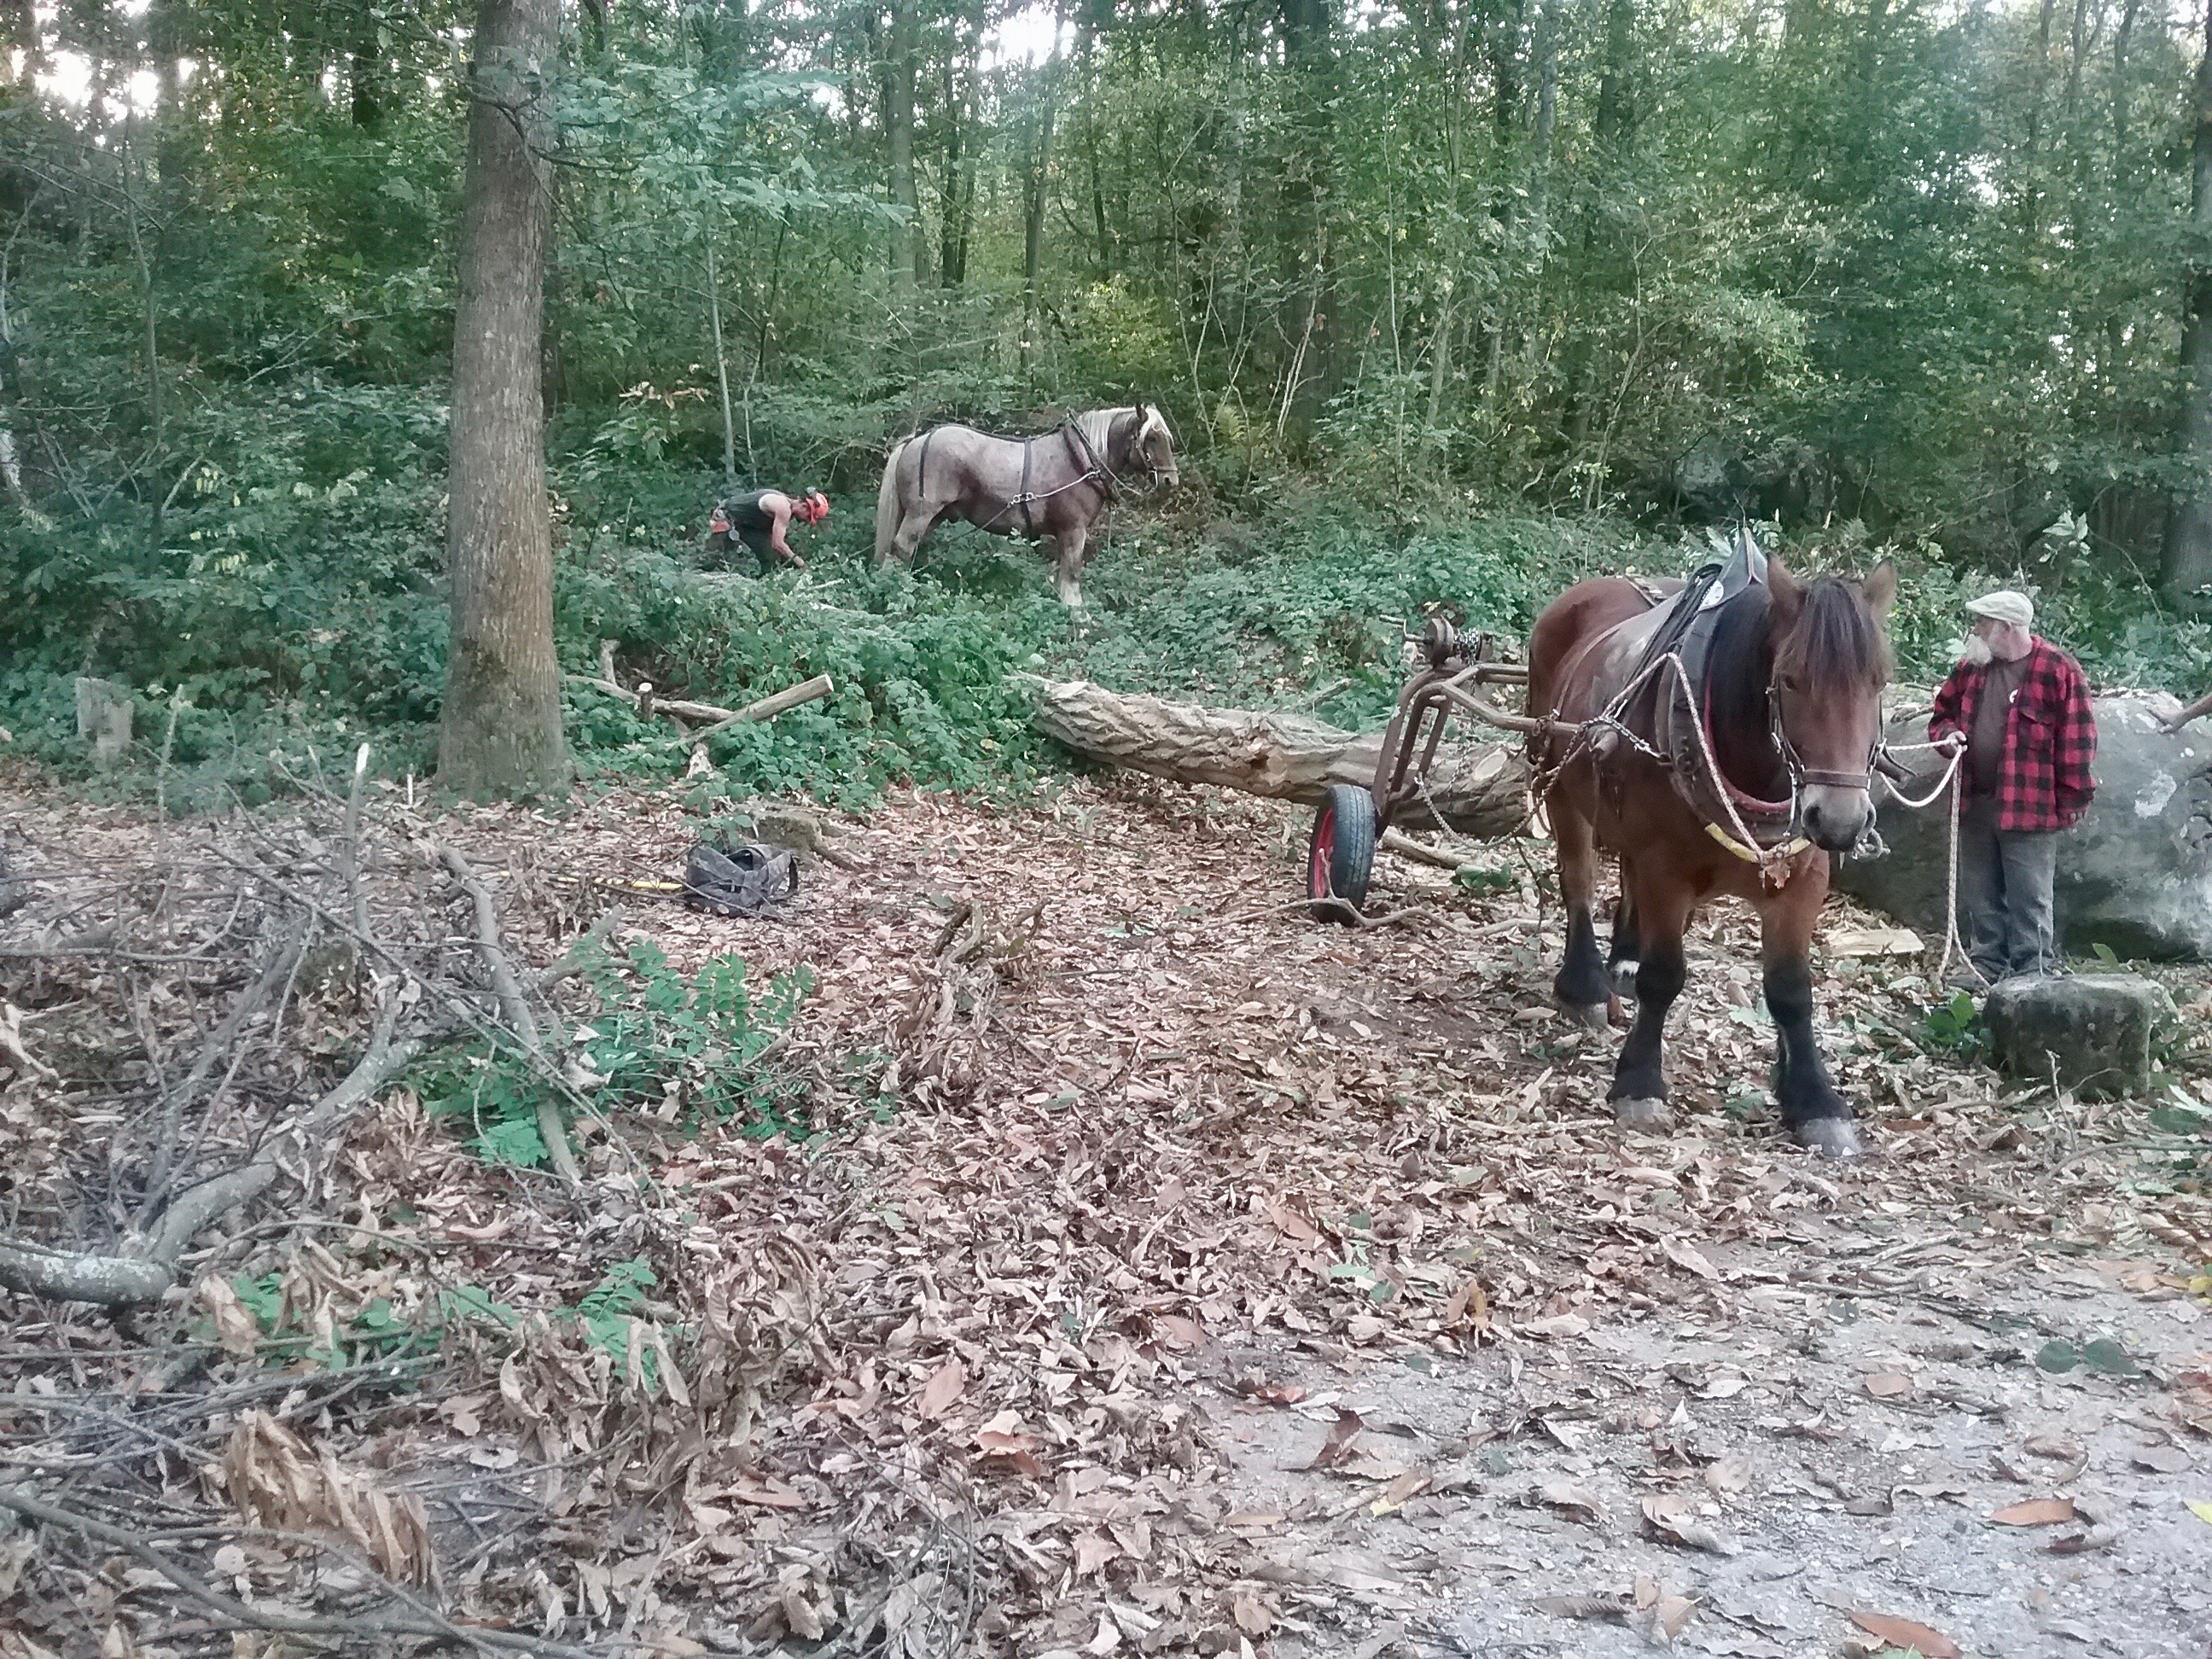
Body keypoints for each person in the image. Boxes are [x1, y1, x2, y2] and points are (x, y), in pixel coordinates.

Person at [1927, 589, 2097, 986]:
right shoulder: (1972, 668)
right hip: (1977, 800)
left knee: (2030, 894)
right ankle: (1984, 963)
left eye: (1983, 624)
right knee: (1981, 891)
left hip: (2031, 806)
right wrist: (1948, 735)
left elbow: (2079, 739)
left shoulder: (2059, 670)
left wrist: (2073, 799)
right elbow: (1941, 715)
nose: (1975, 630)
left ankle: (2033, 970)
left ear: (2006, 627)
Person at [703, 488, 830, 572]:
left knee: (770, 557)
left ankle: (764, 587)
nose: (806, 520)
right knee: (711, 559)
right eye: (808, 517)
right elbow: (778, 544)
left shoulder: (787, 507)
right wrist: (800, 563)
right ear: (804, 506)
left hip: (748, 525)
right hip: (727, 517)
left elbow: (773, 541)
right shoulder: (783, 507)